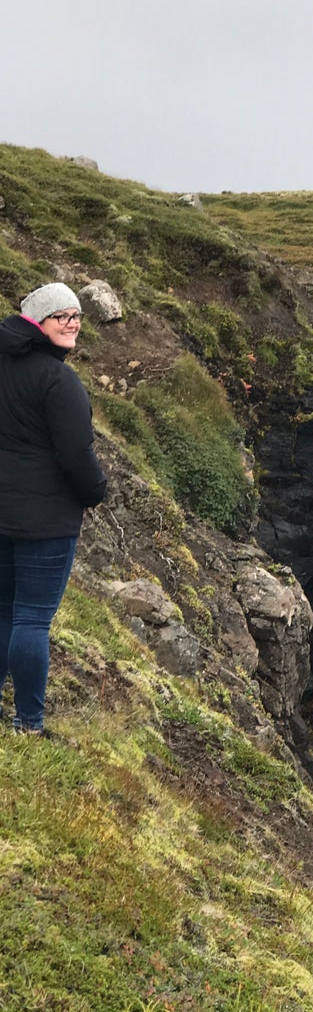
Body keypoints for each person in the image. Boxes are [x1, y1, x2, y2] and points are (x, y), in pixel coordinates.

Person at [0, 282, 107, 735]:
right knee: (31, 620)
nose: (74, 323)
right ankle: (29, 722)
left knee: (4, 612)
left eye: (78, 315)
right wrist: (95, 492)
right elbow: (75, 454)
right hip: (45, 523)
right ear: (38, 321)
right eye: (62, 316)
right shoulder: (57, 380)